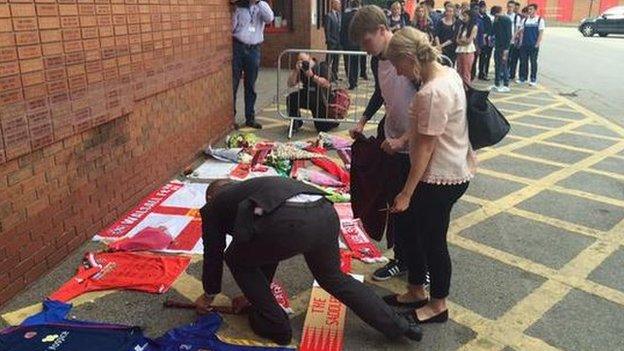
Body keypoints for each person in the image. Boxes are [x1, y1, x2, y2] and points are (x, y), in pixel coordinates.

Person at [196, 177, 423, 345]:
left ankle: (277, 325)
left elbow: (213, 252)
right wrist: (255, 292)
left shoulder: (214, 206)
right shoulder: (254, 188)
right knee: (333, 278)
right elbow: (264, 249)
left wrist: (208, 295)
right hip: (324, 213)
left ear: (209, 197)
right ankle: (398, 325)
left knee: (236, 258)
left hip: (291, 223)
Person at [385, 27, 476, 323]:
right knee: (410, 230)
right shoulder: (445, 74)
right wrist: (401, 141)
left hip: (440, 177)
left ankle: (438, 304)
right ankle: (415, 290)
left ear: (410, 58)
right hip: (449, 169)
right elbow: (425, 126)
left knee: (432, 240)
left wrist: (406, 193)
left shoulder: (432, 92)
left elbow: (425, 149)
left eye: (398, 65)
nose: (398, 73)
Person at [348, 5, 419, 282]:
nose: (366, 49)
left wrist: (404, 139)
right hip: (391, 140)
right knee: (394, 204)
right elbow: (381, 92)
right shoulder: (377, 60)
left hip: (416, 146)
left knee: (415, 208)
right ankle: (401, 259)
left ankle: (420, 267)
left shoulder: (410, 54)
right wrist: (363, 120)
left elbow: (431, 106)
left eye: (366, 41)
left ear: (382, 30)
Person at [231, 0, 274, 129]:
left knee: (251, 85)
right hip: (238, 47)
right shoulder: (239, 7)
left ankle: (250, 117)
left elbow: (269, 18)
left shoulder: (262, 6)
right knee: (234, 84)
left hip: (254, 49)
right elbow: (232, 27)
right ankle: (231, 119)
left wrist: (258, 3)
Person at [286, 53, 339, 133]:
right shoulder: (301, 69)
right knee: (291, 98)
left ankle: (334, 121)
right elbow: (291, 84)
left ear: (310, 58)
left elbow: (326, 84)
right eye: (299, 60)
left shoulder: (322, 66)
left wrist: (312, 76)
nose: (303, 63)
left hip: (320, 98)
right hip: (307, 96)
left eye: (304, 60)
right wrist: (296, 71)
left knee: (322, 129)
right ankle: (296, 122)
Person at [517, 3, 544, 86]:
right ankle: (523, 78)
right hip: (524, 45)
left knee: (533, 62)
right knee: (523, 62)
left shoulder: (539, 20)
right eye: (529, 9)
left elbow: (541, 33)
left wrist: (537, 44)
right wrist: (521, 41)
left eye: (531, 9)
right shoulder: (525, 20)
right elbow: (521, 32)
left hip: (533, 45)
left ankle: (533, 79)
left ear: (535, 10)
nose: (529, 11)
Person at [341, 0, 364, 90]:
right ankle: (355, 81)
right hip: (358, 44)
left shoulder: (345, 15)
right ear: (358, 5)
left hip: (347, 44)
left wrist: (342, 43)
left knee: (348, 63)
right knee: (356, 63)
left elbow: (342, 30)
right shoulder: (361, 16)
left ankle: (351, 82)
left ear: (350, 5)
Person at [491, 5, 512, 92]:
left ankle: (506, 85)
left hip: (504, 47)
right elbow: (493, 32)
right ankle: (496, 83)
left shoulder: (506, 19)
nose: (495, 16)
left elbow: (509, 35)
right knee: (497, 64)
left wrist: (506, 49)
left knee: (504, 64)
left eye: (495, 15)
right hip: (497, 46)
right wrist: (495, 22)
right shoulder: (496, 21)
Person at [455, 8, 478, 85]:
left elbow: (469, 41)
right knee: (459, 71)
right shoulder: (462, 27)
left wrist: (462, 41)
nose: (464, 18)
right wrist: (462, 41)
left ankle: (467, 89)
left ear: (470, 17)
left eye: (465, 16)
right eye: (463, 16)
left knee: (466, 72)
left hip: (468, 52)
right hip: (460, 51)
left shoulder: (474, 27)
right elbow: (457, 39)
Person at [324, 0, 342, 82]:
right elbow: (327, 30)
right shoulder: (328, 16)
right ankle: (326, 75)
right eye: (338, 4)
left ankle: (334, 76)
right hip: (332, 42)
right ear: (333, 4)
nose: (340, 6)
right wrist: (329, 40)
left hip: (338, 43)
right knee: (329, 60)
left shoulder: (339, 15)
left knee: (336, 60)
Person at [475, 1, 493, 81]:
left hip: (485, 42)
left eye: (484, 7)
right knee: (475, 58)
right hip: (477, 41)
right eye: (481, 8)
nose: (483, 9)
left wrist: (486, 34)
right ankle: (473, 73)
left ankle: (483, 74)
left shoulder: (487, 18)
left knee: (484, 58)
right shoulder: (476, 17)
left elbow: (490, 29)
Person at [506, 1, 523, 80]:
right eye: (509, 6)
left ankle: (510, 74)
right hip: (503, 41)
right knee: (503, 59)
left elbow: (517, 29)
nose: (510, 8)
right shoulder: (504, 16)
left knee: (511, 58)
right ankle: (503, 73)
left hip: (512, 41)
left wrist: (514, 38)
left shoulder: (517, 17)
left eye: (512, 7)